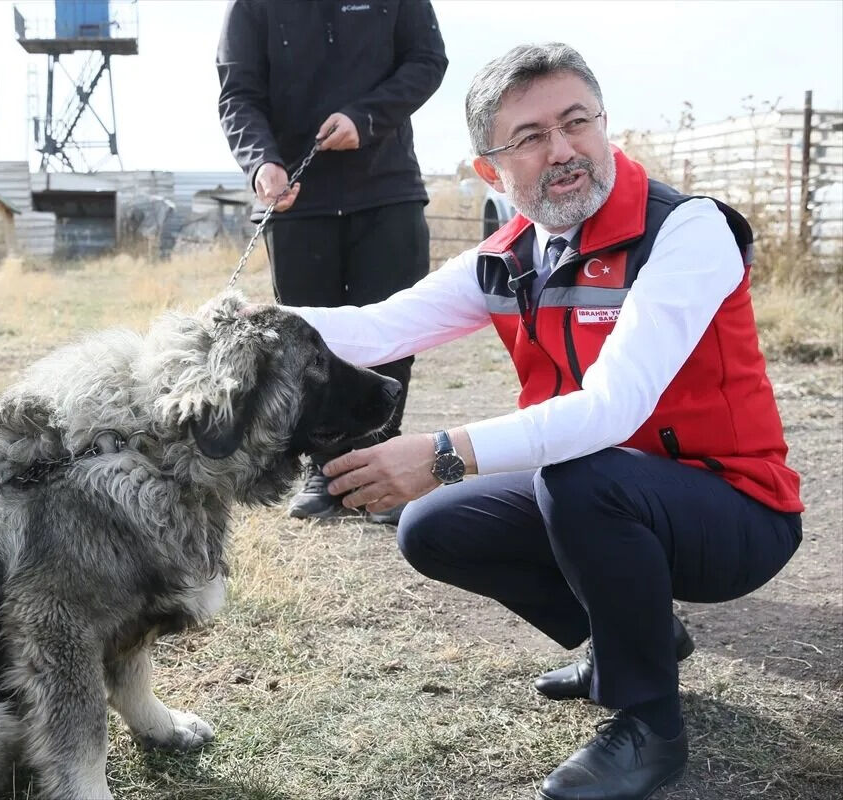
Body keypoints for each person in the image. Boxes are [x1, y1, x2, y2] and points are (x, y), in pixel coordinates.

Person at [279, 43, 804, 800]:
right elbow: (375, 329)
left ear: (604, 126)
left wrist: (441, 452)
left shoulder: (686, 232)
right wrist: (241, 323)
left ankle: (648, 724)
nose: (562, 150)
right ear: (490, 170)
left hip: (735, 514)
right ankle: (636, 639)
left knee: (579, 475)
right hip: (608, 494)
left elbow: (611, 411)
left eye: (576, 122)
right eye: (530, 136)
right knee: (432, 526)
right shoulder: (509, 257)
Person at [216, 0, 448, 524]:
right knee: (308, 344)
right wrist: (261, 162)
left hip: (387, 190)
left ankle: (381, 469)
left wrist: (367, 118)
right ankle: (326, 471)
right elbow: (238, 94)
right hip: (296, 201)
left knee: (394, 333)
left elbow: (427, 60)